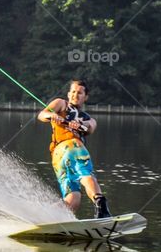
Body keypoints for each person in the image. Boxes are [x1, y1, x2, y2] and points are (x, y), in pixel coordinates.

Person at [37, 80, 111, 218]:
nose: (75, 95)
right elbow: (42, 115)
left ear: (85, 97)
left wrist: (80, 123)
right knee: (86, 174)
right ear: (68, 94)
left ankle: (44, 216)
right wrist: (52, 115)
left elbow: (90, 127)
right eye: (73, 91)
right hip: (67, 150)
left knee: (73, 199)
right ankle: (102, 208)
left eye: (80, 93)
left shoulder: (88, 119)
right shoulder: (61, 103)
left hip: (63, 156)